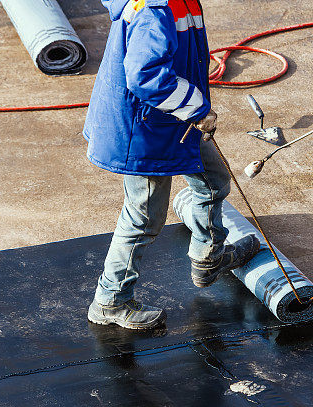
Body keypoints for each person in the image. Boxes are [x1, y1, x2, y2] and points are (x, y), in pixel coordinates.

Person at [82, 0, 260, 330]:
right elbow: (145, 76)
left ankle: (208, 258)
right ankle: (110, 301)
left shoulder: (177, 2)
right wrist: (195, 109)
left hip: (170, 119)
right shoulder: (153, 10)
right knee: (143, 216)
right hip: (145, 131)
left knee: (213, 180)